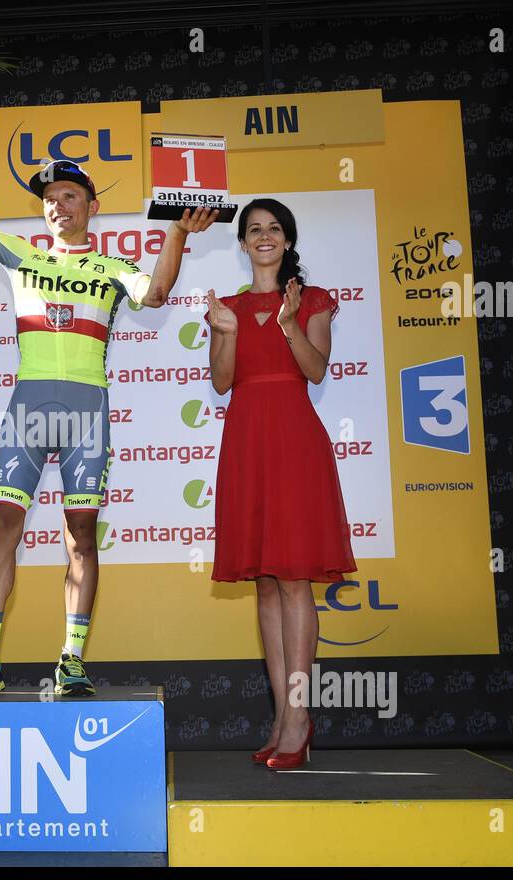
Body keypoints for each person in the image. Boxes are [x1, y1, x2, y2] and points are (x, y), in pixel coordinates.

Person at [0, 88, 217, 697]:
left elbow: (154, 295)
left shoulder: (110, 268)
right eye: (49, 199)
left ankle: (72, 658)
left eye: (68, 196)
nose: (57, 206)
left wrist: (178, 233)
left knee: (80, 533)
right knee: (3, 524)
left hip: (87, 414)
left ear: (91, 206)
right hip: (28, 409)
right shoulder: (20, 258)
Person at [204, 198, 356, 770]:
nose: (263, 237)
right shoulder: (229, 307)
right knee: (265, 583)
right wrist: (225, 331)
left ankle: (298, 716)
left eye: (274, 229)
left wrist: (289, 322)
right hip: (246, 441)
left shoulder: (311, 301)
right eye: (253, 231)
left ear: (287, 241)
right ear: (241, 244)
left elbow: (315, 369)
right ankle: (281, 716)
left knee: (295, 581)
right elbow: (222, 382)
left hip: (294, 441)